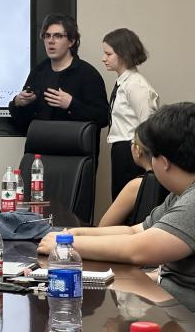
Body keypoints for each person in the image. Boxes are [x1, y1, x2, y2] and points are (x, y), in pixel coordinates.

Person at [38, 102, 195, 313]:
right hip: (167, 301)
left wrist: (67, 245)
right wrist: (76, 233)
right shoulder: (179, 194)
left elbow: (137, 250)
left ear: (164, 162)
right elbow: (135, 231)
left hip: (182, 313)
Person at [8, 13, 109, 152]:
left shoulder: (87, 74)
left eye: (58, 36)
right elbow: (23, 123)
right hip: (39, 152)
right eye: (47, 36)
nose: (51, 41)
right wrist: (18, 103)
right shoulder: (38, 72)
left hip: (74, 155)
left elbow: (103, 117)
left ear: (71, 41)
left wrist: (71, 104)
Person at [102, 28, 159, 200]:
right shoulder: (123, 82)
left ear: (123, 54)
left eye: (108, 54)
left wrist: (139, 151)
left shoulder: (136, 84)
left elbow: (148, 123)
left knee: (128, 201)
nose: (103, 58)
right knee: (119, 197)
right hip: (121, 149)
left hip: (133, 151)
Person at [98, 128, 167, 227]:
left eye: (132, 143)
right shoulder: (173, 183)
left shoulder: (135, 186)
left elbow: (104, 226)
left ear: (138, 151)